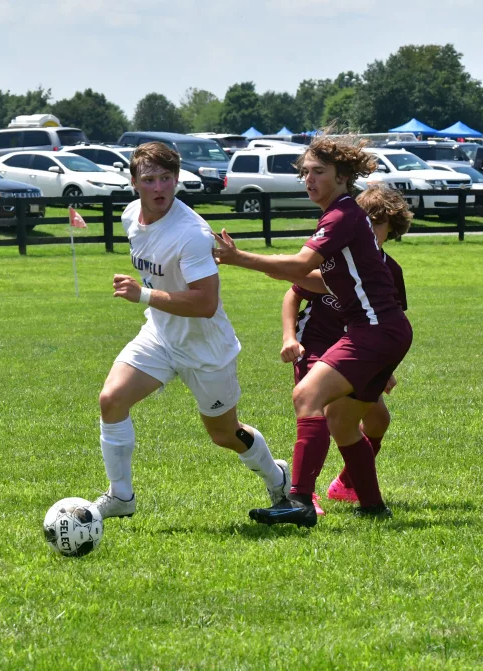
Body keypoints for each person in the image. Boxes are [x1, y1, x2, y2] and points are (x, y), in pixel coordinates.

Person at [213, 136, 413, 527]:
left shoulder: (341, 215)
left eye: (318, 172)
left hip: (374, 330)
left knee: (307, 395)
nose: (309, 179)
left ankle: (300, 500)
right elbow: (306, 278)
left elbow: (298, 265)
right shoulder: (342, 215)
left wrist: (238, 258)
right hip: (383, 330)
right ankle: (373, 506)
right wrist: (264, 265)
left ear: (342, 177)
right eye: (305, 172)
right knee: (341, 422)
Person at [89, 142, 290, 520]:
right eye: (149, 179)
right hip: (160, 335)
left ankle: (277, 477)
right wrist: (149, 299)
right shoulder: (130, 216)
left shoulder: (192, 233)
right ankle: (121, 496)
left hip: (205, 348)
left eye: (166, 178)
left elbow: (205, 303)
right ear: (134, 183)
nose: (159, 188)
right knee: (111, 400)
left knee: (224, 434)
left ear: (177, 179)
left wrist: (143, 294)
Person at [278, 185, 412, 512]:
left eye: (379, 223)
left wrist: (385, 367)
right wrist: (289, 337)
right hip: (316, 343)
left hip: (358, 348)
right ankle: (304, 495)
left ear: (392, 227)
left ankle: (349, 486)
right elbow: (294, 292)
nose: (371, 228)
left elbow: (388, 321)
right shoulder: (333, 257)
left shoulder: (390, 270)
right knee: (313, 404)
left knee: (377, 419)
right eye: (367, 220)